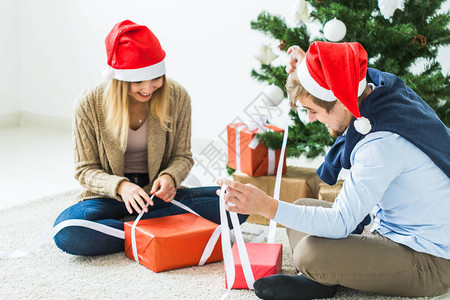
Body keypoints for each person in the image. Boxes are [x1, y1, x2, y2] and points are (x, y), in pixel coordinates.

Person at [218, 41, 450, 299]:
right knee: (302, 207)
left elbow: (341, 222)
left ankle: (322, 276)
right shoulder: (382, 93)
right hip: (390, 231)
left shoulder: (380, 146)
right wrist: (310, 69)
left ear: (339, 100)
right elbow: (343, 72)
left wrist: (266, 206)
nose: (311, 118)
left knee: (309, 253)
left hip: (433, 260)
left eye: (312, 110)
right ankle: (324, 277)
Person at [53, 20, 247, 256]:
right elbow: (84, 170)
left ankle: (133, 229)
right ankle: (159, 229)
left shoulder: (178, 97)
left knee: (238, 205)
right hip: (110, 197)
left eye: (155, 78)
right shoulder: (89, 102)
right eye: (138, 81)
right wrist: (121, 187)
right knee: (68, 231)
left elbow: (182, 156)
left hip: (157, 196)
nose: (148, 88)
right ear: (120, 78)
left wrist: (169, 177)